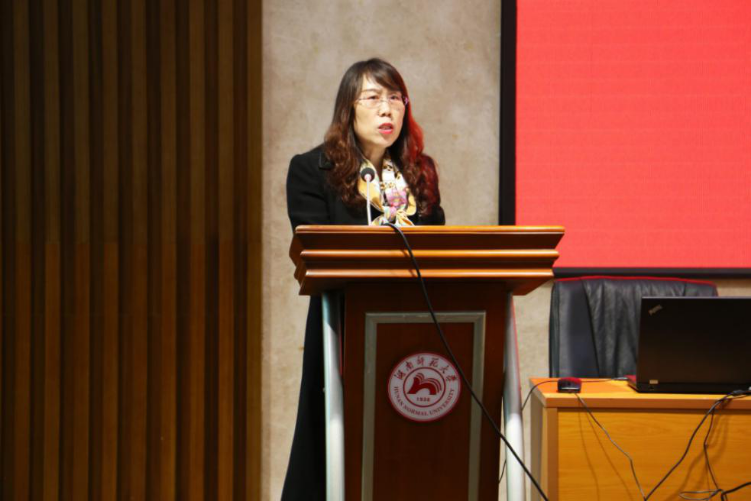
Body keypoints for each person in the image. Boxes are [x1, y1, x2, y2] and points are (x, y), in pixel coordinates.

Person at [283, 58, 445, 499]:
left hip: (414, 330)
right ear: (348, 108)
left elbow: (440, 250)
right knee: (331, 440)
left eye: (395, 98)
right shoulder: (312, 169)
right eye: (372, 98)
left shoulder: (419, 173)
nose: (386, 109)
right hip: (342, 326)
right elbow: (314, 249)